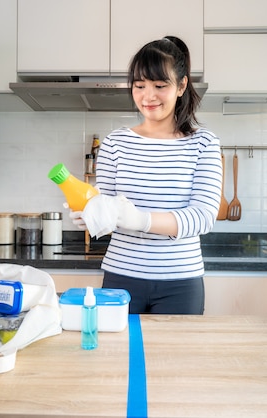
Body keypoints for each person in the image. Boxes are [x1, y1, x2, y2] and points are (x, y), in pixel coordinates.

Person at [71, 36, 222, 314]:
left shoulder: (204, 143)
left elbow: (203, 217)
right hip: (120, 278)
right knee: (118, 357)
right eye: (139, 86)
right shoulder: (115, 143)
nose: (147, 96)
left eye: (159, 86)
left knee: (176, 358)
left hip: (181, 282)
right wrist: (91, 216)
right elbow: (108, 212)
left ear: (182, 86)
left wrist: (141, 220)